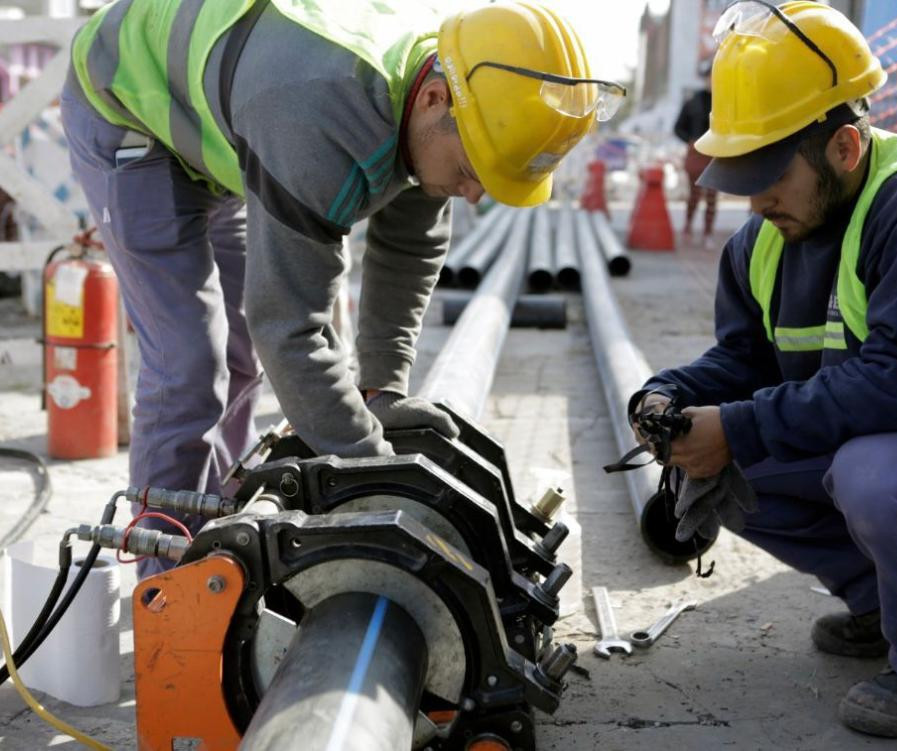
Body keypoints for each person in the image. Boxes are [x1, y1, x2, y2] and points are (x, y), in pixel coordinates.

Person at [629, 0, 897, 739]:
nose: (756, 196)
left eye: (769, 171)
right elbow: (744, 360)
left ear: (842, 147)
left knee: (875, 475)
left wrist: (737, 425)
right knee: (727, 471)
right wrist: (673, 395)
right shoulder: (763, 240)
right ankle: (886, 604)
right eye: (743, 171)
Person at [61, 0, 623, 577]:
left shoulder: (447, 82)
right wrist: (372, 474)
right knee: (188, 364)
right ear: (434, 100)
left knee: (240, 356)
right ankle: (165, 581)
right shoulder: (315, 114)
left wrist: (381, 389)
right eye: (472, 170)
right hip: (129, 105)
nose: (474, 194)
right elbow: (288, 324)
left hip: (233, 111)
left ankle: (216, 535)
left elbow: (408, 247)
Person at [672, 58, 718, 246]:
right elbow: (677, 128)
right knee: (694, 194)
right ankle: (688, 227)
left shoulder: (724, 101)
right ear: (705, 79)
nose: (712, 81)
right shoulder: (693, 102)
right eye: (709, 77)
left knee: (712, 197)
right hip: (696, 153)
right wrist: (689, 141)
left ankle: (708, 233)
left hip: (716, 153)